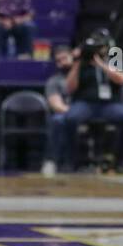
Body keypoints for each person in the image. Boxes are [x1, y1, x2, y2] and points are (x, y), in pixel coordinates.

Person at [62, 28, 123, 172]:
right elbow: (69, 88)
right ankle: (72, 161)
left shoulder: (115, 58)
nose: (100, 49)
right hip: (85, 103)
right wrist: (77, 63)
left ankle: (120, 160)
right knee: (70, 119)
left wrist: (102, 65)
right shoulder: (82, 63)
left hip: (110, 104)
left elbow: (122, 79)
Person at [42, 45, 74, 176]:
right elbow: (56, 106)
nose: (62, 63)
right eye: (58, 61)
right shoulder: (54, 81)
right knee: (57, 121)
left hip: (87, 113)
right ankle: (51, 160)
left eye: (65, 58)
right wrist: (75, 112)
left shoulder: (84, 75)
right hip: (66, 113)